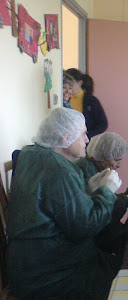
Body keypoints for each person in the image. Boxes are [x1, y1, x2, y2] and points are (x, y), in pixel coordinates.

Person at [6, 107, 122, 299]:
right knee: (120, 271)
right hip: (50, 276)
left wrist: (87, 190)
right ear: (65, 138)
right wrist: (107, 191)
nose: (87, 139)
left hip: (28, 267)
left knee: (111, 260)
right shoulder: (58, 170)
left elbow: (52, 204)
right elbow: (86, 227)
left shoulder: (31, 154)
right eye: (83, 134)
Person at [75, 132, 128, 254]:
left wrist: (126, 195)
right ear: (103, 155)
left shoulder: (94, 167)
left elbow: (105, 201)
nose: (118, 165)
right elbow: (103, 215)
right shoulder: (86, 173)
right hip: (97, 245)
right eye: (116, 160)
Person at [66, 68, 108, 139]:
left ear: (80, 83)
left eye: (71, 83)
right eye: (65, 84)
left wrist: (87, 136)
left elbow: (103, 124)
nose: (68, 87)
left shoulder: (91, 101)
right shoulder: (65, 100)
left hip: (87, 142)